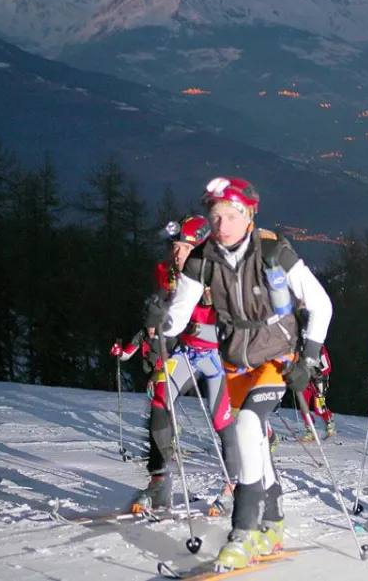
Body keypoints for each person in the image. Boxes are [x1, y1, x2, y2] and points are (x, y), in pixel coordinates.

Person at [157, 177, 332, 571]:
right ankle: (275, 521)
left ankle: (246, 531)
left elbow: (321, 305)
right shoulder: (202, 260)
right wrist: (161, 323)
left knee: (248, 427)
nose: (223, 226)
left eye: (232, 216)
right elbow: (180, 314)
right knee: (256, 444)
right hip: (235, 363)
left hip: (275, 357)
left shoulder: (273, 252)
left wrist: (308, 359)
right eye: (216, 216)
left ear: (249, 216)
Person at [113, 215, 240, 518]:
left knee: (221, 419)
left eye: (186, 247)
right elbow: (160, 319)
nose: (178, 253)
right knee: (159, 398)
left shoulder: (219, 273)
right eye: (176, 246)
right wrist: (152, 321)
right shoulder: (168, 273)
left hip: (217, 358)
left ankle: (233, 485)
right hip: (186, 351)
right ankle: (158, 480)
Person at [298, 345, 335, 441]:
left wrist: (317, 373)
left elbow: (328, 367)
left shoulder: (320, 348)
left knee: (319, 409)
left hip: (318, 383)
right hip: (305, 382)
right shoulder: (300, 348)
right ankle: (310, 431)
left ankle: (329, 421)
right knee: (303, 407)